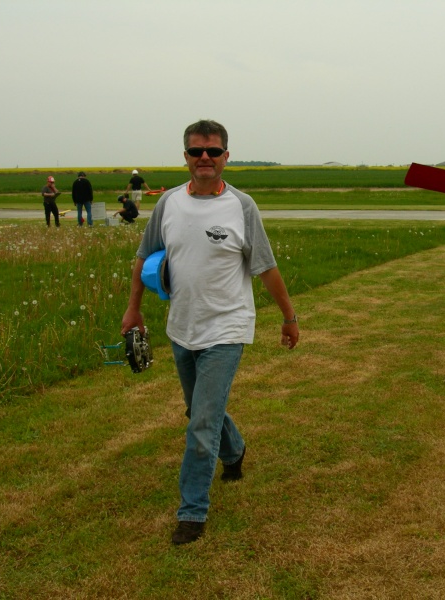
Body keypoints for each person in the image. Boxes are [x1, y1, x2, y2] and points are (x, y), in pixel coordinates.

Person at [121, 119, 299, 545]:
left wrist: (289, 317)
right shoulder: (167, 204)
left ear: (225, 158)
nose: (205, 158)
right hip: (181, 328)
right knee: (198, 411)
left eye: (213, 151)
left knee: (201, 420)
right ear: (185, 156)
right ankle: (235, 451)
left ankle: (192, 512)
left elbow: (266, 267)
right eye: (197, 151)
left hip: (227, 327)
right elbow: (144, 257)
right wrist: (133, 309)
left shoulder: (242, 206)